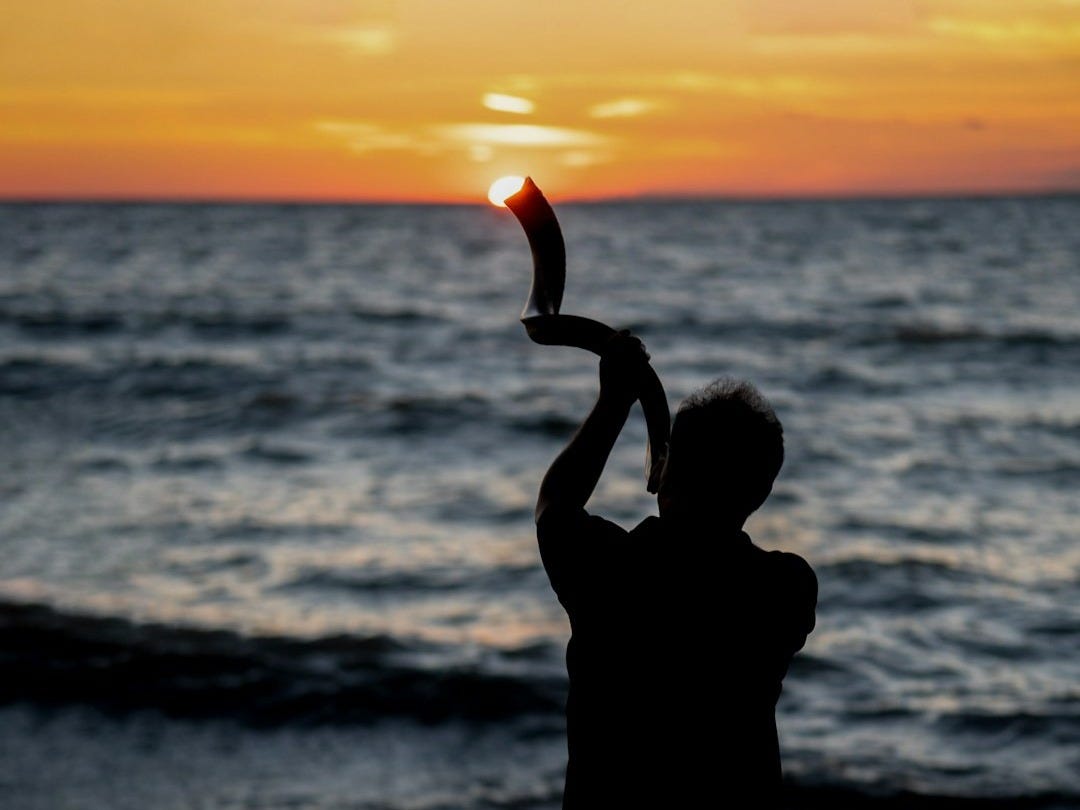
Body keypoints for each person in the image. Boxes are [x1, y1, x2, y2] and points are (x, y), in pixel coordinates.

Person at [535, 331, 817, 808]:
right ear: (761, 494)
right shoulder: (785, 589)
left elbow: (554, 505)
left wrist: (614, 403)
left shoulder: (609, 571)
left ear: (664, 468)